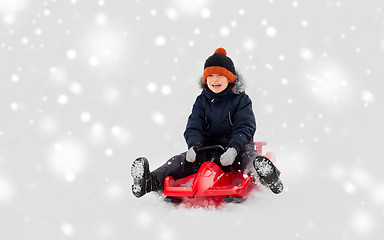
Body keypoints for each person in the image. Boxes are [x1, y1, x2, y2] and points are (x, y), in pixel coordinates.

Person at [131, 47, 283, 198]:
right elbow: (194, 125)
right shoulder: (201, 101)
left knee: (248, 159)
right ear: (205, 79)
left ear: (230, 78)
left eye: (220, 75)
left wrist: (234, 148)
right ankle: (150, 181)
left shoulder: (241, 100)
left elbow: (245, 126)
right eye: (210, 76)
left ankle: (267, 175)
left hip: (237, 148)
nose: (215, 80)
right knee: (178, 162)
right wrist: (194, 146)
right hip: (208, 148)